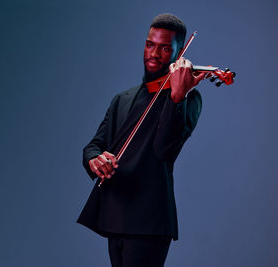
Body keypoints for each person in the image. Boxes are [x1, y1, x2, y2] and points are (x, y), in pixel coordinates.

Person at [77, 13, 207, 267]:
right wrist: (95, 159)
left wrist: (177, 98)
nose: (154, 53)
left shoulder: (189, 99)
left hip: (150, 220)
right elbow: (94, 145)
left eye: (164, 48)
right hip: (115, 215)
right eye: (150, 45)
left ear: (179, 53)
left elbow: (163, 150)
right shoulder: (122, 99)